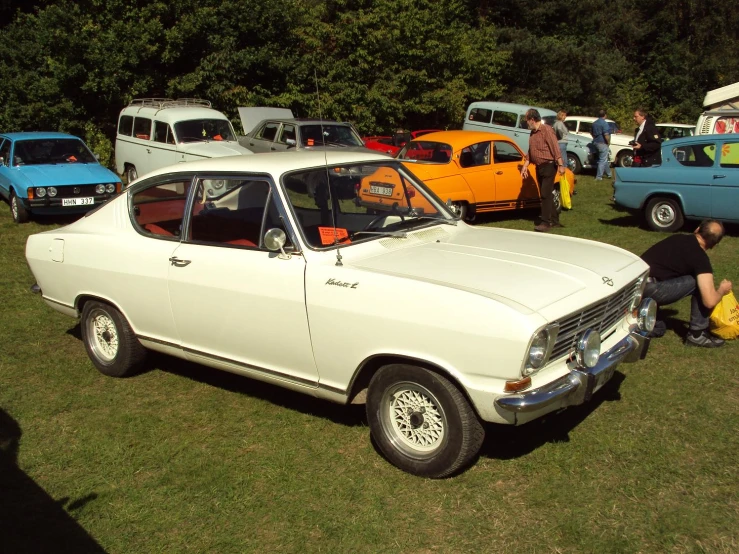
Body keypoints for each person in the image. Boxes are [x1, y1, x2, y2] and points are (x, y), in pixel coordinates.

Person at [641, 220, 733, 347]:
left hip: (635, 284)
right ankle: (697, 334)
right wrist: (722, 290)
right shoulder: (700, 259)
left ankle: (649, 322)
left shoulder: (678, 238)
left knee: (659, 329)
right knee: (696, 282)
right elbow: (709, 301)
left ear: (697, 229)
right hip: (649, 289)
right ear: (714, 245)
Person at [520, 109, 566, 232]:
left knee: (545, 194)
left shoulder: (547, 130)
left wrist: (561, 165)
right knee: (545, 194)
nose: (526, 123)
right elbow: (531, 151)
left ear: (532, 120)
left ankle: (546, 223)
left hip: (549, 166)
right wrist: (525, 165)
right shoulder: (533, 133)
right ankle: (555, 220)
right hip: (539, 167)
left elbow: (555, 148)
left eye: (526, 120)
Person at [591, 109, 612, 180]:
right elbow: (606, 134)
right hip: (602, 143)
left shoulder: (594, 123)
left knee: (603, 159)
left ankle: (609, 174)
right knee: (602, 160)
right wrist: (608, 142)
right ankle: (599, 176)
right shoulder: (604, 123)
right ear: (605, 115)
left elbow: (592, 133)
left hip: (596, 142)